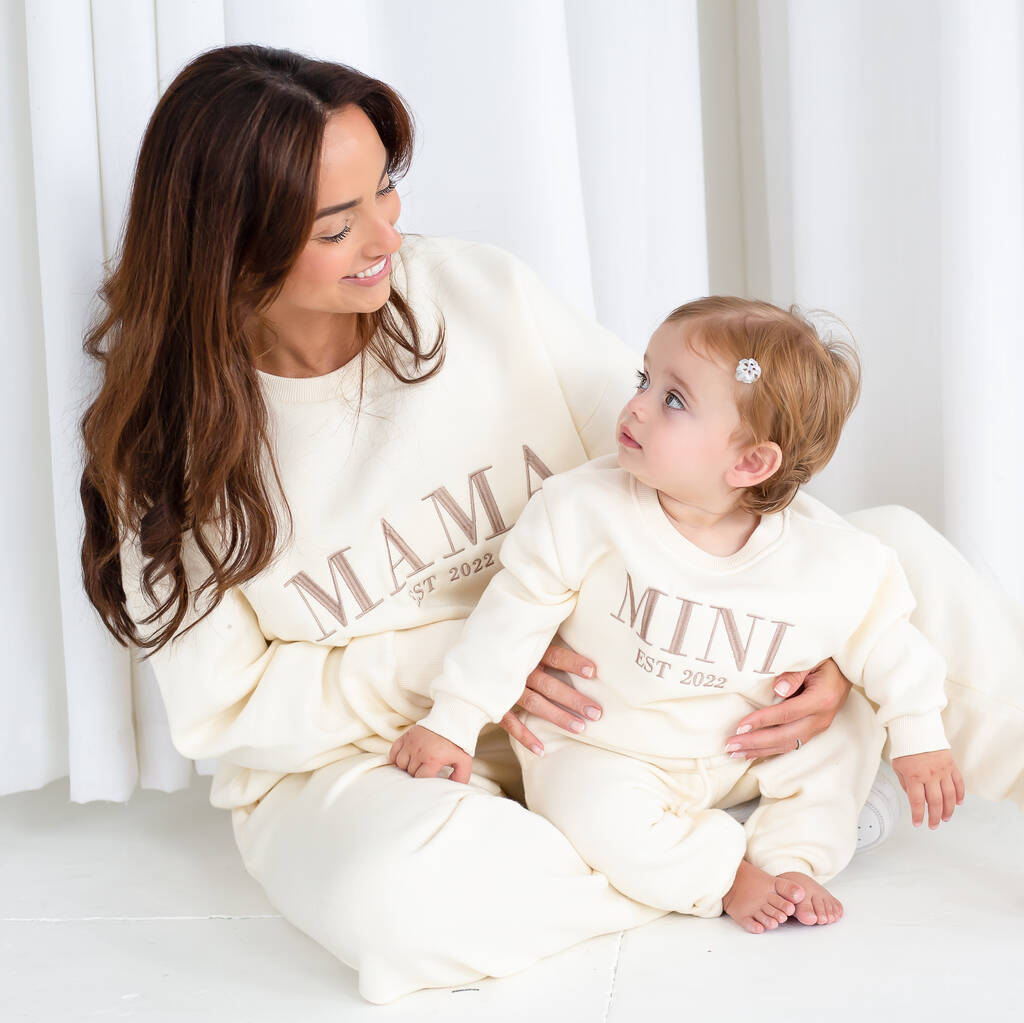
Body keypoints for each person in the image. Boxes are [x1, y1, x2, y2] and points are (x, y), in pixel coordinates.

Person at [77, 45, 1023, 1003]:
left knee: (896, 555)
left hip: (647, 695)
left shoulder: (478, 296)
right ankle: (742, 855)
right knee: (398, 899)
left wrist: (820, 638)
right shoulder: (160, 449)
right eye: (338, 224)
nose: (387, 236)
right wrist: (477, 659)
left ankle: (705, 843)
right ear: (230, 244)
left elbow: (703, 460)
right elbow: (226, 708)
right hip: (394, 762)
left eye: (386, 189)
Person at [389, 298, 965, 933]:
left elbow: (889, 645)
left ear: (750, 462)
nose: (636, 405)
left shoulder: (828, 559)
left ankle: (794, 860)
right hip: (610, 747)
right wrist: (453, 722)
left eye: (672, 400)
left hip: (745, 750)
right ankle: (720, 872)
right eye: (645, 379)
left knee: (846, 730)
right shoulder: (581, 511)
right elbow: (508, 621)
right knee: (582, 803)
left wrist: (920, 738)